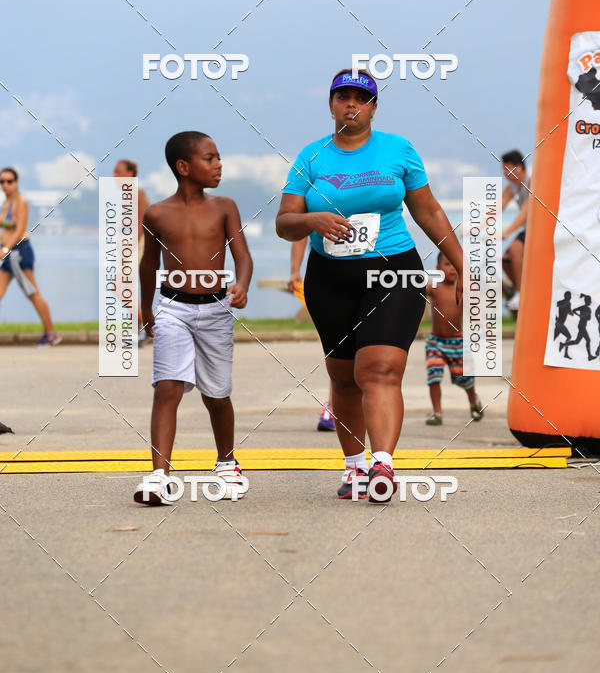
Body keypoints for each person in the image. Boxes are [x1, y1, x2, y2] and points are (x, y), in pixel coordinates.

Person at [276, 69, 464, 503]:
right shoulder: (311, 156)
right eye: (342, 97)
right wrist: (312, 220)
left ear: (374, 107)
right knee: (343, 379)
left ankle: (383, 462)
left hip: (393, 271)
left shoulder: (399, 150)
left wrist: (462, 265)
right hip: (330, 279)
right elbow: (284, 224)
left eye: (360, 98)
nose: (350, 105)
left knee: (378, 368)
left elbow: (429, 211)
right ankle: (355, 468)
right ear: (331, 105)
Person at [134, 132, 253, 504]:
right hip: (173, 309)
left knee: (217, 396)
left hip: (217, 309)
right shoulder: (156, 213)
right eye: (210, 158)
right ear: (184, 167)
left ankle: (227, 464)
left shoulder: (225, 207)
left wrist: (242, 285)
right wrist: (146, 307)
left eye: (218, 157)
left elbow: (243, 258)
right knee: (167, 388)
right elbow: (149, 265)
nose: (219, 165)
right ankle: (158, 475)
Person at [0, 167, 62, 346]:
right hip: (8, 252)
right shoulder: (7, 203)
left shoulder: (20, 202)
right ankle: (50, 333)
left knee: (33, 293)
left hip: (18, 253)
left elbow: (19, 230)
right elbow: (6, 229)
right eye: (2, 181)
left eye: (9, 181)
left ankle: (51, 334)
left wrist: (5, 250)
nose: (5, 185)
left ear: (16, 183)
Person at [425, 252, 483, 425]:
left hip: (458, 342)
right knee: (433, 376)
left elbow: (474, 312)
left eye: (454, 265)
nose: (451, 268)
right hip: (436, 341)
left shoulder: (462, 289)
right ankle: (437, 413)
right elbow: (415, 295)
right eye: (447, 264)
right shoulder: (433, 287)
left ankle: (473, 401)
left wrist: (482, 326)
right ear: (438, 269)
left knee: (465, 379)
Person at [288, 237, 335, 431]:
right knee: (338, 350)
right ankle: (333, 407)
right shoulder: (317, 206)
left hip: (369, 275)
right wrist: (294, 270)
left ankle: (341, 406)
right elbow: (299, 232)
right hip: (329, 279)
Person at [112, 160, 150, 345]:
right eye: (114, 172)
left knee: (119, 285)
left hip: (135, 248)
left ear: (131, 173)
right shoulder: (126, 194)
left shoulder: (137, 193)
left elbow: (141, 223)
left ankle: (145, 324)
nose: (115, 176)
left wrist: (129, 250)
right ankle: (138, 330)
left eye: (118, 172)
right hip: (127, 248)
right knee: (126, 288)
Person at [501, 150, 530, 313]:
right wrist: (476, 227)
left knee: (514, 248)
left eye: (507, 169)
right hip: (527, 230)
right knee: (504, 260)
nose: (504, 173)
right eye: (503, 170)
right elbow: (497, 208)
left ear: (518, 168)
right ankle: (523, 289)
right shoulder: (511, 187)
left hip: (540, 229)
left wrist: (505, 233)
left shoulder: (532, 182)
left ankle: (521, 293)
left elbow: (525, 214)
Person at [559, 294, 595, 361]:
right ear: (587, 301)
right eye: (589, 301)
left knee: (577, 342)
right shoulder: (585, 308)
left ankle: (563, 344)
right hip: (582, 326)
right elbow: (574, 310)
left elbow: (588, 318)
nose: (590, 302)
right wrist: (580, 315)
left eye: (590, 301)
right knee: (588, 340)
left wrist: (583, 316)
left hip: (582, 326)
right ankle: (589, 356)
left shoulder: (588, 309)